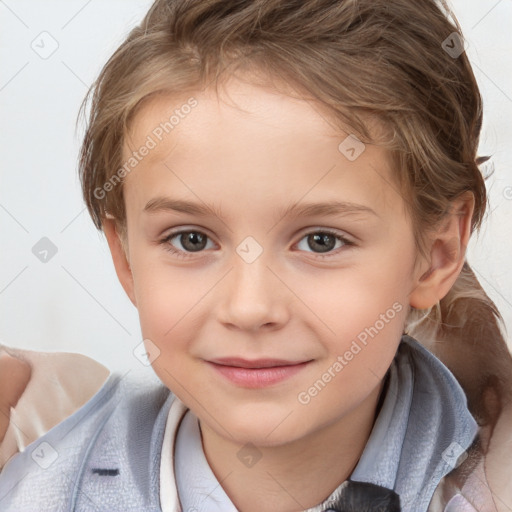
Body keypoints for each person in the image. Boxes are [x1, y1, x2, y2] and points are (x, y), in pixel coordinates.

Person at [1, 0, 511, 510]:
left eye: (321, 241)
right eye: (191, 239)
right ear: (127, 258)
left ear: (438, 253)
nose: (248, 308)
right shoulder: (37, 487)